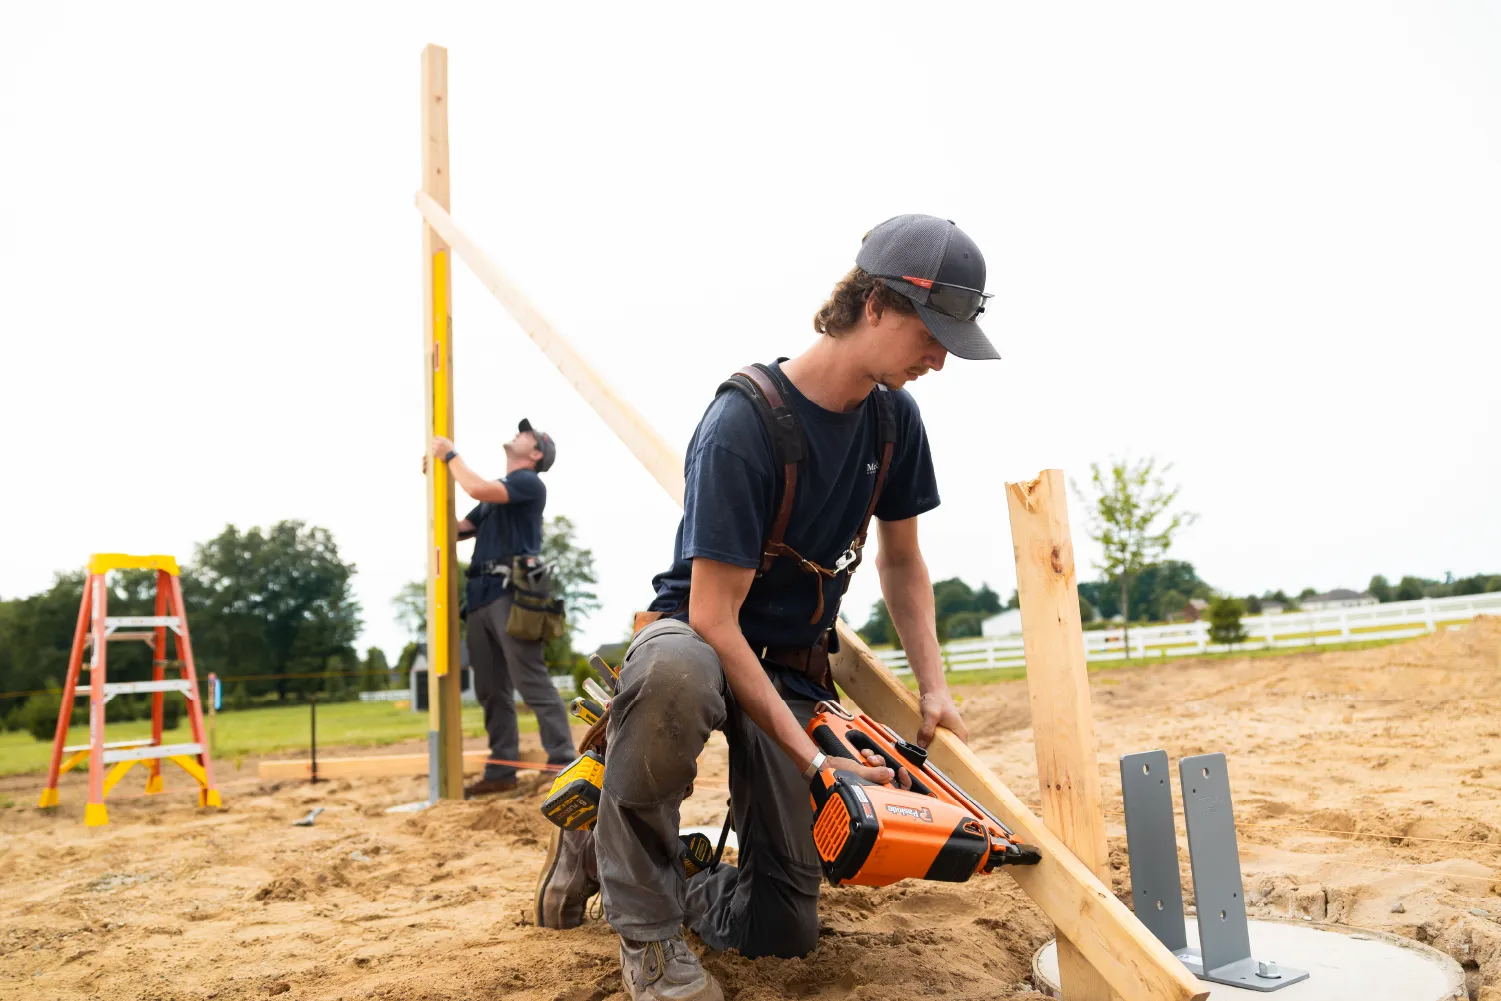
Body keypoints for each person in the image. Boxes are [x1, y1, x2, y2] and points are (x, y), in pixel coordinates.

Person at [533, 215, 1000, 1001]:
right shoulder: (742, 423)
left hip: (789, 665)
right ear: (877, 304)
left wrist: (935, 688)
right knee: (677, 673)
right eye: (933, 333)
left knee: (783, 927)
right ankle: (646, 937)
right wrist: (817, 762)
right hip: (700, 639)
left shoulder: (893, 421)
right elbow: (716, 618)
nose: (940, 360)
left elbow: (901, 560)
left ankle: (622, 861)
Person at [430, 419, 574, 797]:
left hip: (512, 595)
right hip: (480, 596)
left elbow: (476, 486)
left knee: (530, 681)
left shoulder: (528, 483)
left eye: (526, 433)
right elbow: (456, 530)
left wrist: (450, 456)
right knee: (491, 689)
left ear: (536, 453)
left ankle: (562, 759)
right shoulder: (495, 500)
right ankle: (501, 770)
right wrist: (436, 483)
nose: (517, 433)